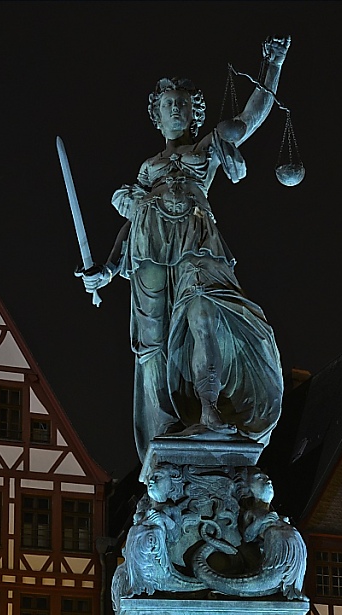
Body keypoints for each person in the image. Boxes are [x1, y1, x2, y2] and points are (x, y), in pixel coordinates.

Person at [80, 38, 291, 461]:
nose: (175, 109)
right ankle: (165, 426)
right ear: (156, 116)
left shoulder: (207, 147)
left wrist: (273, 66)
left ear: (195, 113)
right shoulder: (147, 170)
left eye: (182, 104)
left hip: (196, 241)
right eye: (167, 105)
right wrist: (109, 268)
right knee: (152, 341)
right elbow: (132, 221)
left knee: (205, 311)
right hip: (149, 246)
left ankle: (210, 408)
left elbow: (249, 118)